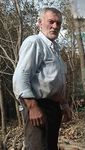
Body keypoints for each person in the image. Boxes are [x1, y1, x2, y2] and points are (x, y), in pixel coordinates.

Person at [12, 7, 72, 149]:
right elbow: (21, 77)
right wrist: (32, 107)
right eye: (51, 22)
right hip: (38, 108)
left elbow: (54, 82)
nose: (55, 26)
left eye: (59, 23)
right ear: (40, 22)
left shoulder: (55, 48)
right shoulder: (35, 42)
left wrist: (64, 105)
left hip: (53, 109)